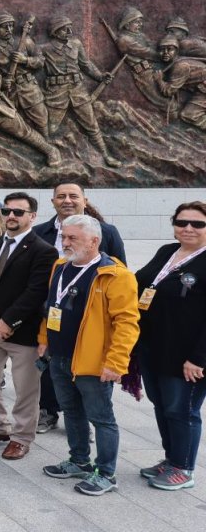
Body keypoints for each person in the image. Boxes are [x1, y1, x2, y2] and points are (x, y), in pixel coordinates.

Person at [39, 214, 139, 496]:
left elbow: (127, 324)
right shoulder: (60, 266)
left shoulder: (115, 275)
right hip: (59, 357)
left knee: (101, 418)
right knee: (71, 411)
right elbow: (51, 307)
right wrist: (43, 339)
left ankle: (106, 473)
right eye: (64, 237)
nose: (66, 243)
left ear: (94, 241)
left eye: (73, 238)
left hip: (92, 361)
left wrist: (116, 363)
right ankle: (79, 460)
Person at [32, 182, 127, 434]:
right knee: (51, 368)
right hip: (50, 312)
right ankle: (48, 411)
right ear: (52, 201)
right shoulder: (40, 232)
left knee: (87, 376)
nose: (67, 200)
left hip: (90, 317)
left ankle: (89, 421)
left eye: (73, 196)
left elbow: (120, 272)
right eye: (60, 196)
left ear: (84, 200)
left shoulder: (106, 232)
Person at [0, 192, 56, 458]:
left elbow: (36, 291)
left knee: (26, 389)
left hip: (23, 333)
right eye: (7, 211)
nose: (12, 216)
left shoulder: (44, 250)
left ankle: (21, 437)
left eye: (19, 212)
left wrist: (10, 320)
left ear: (32, 216)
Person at [133, 201, 206, 490]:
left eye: (197, 224)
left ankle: (184, 468)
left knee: (182, 410)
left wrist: (199, 358)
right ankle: (171, 459)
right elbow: (140, 284)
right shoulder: (167, 251)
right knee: (162, 405)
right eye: (181, 222)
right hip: (153, 347)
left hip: (187, 356)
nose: (188, 228)